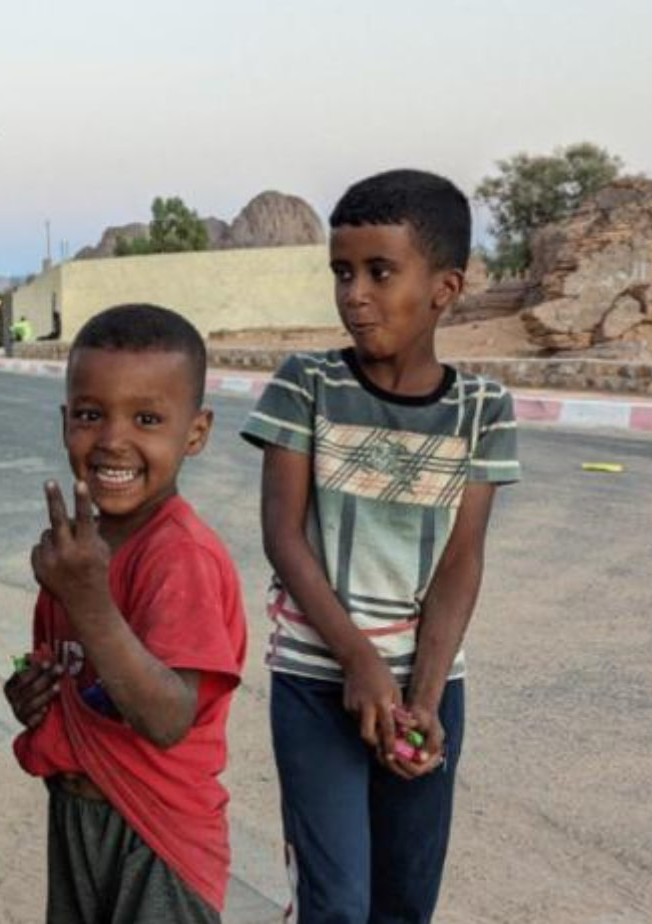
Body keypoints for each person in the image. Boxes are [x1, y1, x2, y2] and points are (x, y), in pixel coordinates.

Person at [240, 169, 522, 924]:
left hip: (428, 684)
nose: (354, 294)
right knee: (337, 902)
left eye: (379, 272)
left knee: (405, 899)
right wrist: (360, 663)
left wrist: (423, 697)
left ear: (444, 288)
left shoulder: (483, 410)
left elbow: (460, 561)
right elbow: (283, 536)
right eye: (342, 272)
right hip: (316, 677)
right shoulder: (307, 384)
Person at [7, 303, 248, 923]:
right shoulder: (78, 553)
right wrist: (30, 693)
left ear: (195, 432)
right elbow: (67, 671)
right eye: (91, 415)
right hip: (79, 815)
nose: (114, 439)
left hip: (156, 835)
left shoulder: (180, 556)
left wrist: (88, 599)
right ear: (66, 421)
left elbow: (166, 718)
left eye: (147, 419)